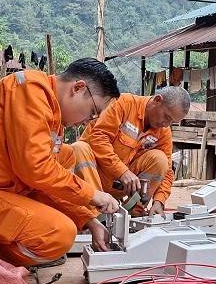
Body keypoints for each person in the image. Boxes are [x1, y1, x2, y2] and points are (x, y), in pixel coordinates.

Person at [0, 58, 123, 267]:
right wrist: (92, 194)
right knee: (58, 235)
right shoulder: (31, 91)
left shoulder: (52, 113)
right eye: (92, 112)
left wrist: (89, 220)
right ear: (78, 88)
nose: (88, 120)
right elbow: (36, 170)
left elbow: (44, 180)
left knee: (67, 154)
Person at [80, 86, 191, 216]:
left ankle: (135, 213)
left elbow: (167, 172)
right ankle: (92, 217)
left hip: (120, 186)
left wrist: (159, 201)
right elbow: (98, 139)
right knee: (80, 148)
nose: (166, 124)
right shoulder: (123, 104)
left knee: (161, 160)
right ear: (157, 100)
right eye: (167, 117)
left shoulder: (163, 132)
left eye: (172, 122)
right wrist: (122, 172)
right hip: (92, 180)